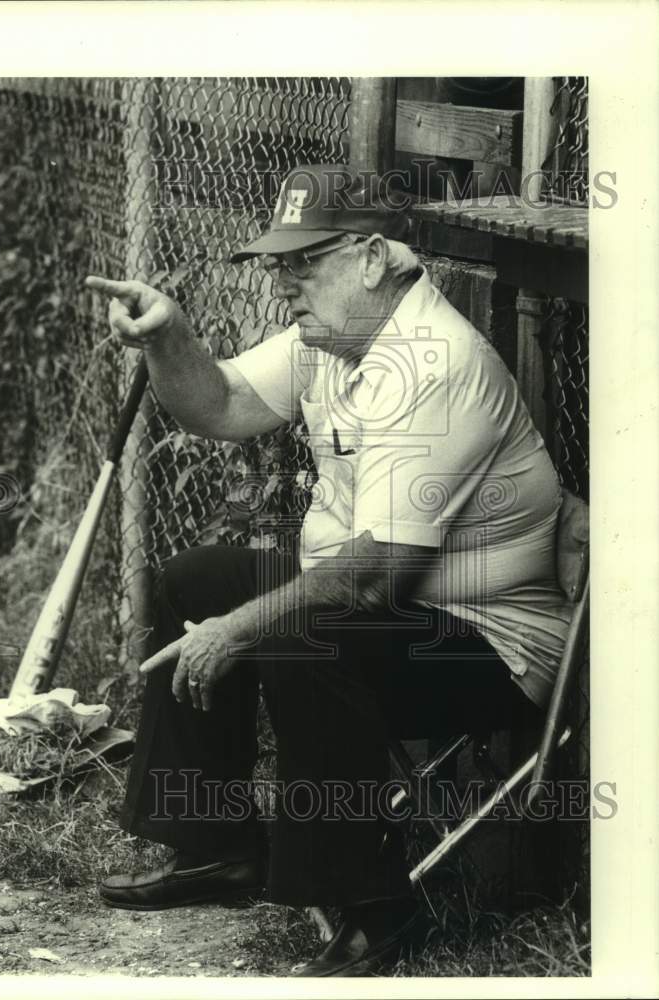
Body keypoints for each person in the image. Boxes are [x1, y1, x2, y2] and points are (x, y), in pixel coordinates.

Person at [85, 164, 572, 977]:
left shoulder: (432, 363)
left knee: (297, 630)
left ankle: (373, 907)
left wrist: (237, 632)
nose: (285, 287)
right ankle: (219, 847)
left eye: (302, 265)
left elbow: (375, 573)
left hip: (491, 647)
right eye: (279, 266)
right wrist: (170, 337)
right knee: (199, 578)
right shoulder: (335, 335)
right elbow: (222, 406)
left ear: (374, 257)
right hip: (383, 612)